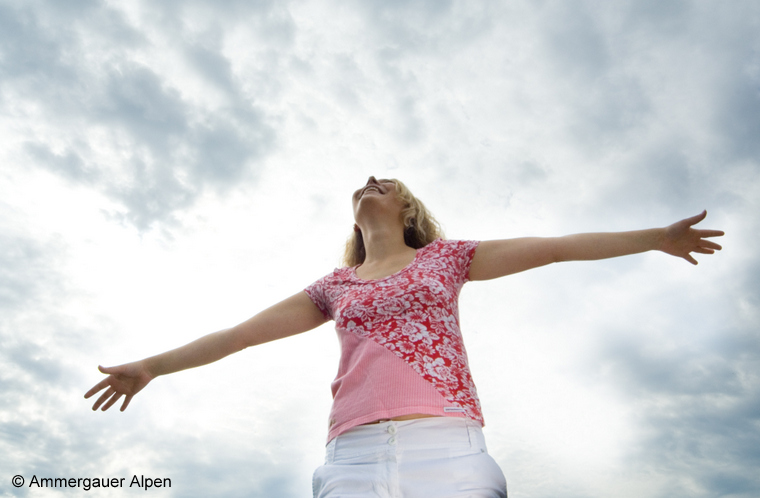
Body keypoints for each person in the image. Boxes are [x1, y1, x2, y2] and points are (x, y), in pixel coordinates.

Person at [85, 176, 724, 497]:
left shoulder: (447, 258)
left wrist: (656, 238)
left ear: (408, 209)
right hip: (352, 459)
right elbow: (239, 335)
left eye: (386, 179)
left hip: (448, 449)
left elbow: (553, 248)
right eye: (363, 181)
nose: (371, 179)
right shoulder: (332, 288)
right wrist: (151, 366)